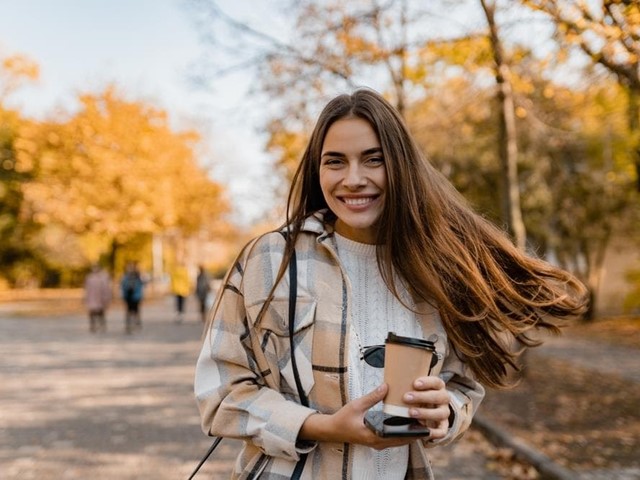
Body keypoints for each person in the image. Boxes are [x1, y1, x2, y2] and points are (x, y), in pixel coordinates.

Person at [194, 88, 587, 479]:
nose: (353, 179)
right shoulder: (269, 259)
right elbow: (222, 392)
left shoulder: (438, 265)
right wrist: (321, 426)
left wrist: (444, 411)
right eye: (335, 162)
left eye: (373, 160)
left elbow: (462, 385)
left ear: (400, 165)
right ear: (318, 170)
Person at [83, 263, 112, 333]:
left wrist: (106, 298)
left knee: (100, 312)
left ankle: (102, 325)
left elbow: (106, 289)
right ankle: (93, 326)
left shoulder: (103, 278)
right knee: (92, 313)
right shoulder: (89, 277)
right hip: (92, 298)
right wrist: (85, 297)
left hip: (100, 298)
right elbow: (87, 289)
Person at [121, 261, 144, 334]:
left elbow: (140, 287)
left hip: (135, 297)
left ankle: (135, 323)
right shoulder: (126, 277)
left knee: (135, 311)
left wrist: (139, 296)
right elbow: (123, 287)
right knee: (129, 311)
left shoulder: (137, 277)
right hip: (129, 297)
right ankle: (130, 324)